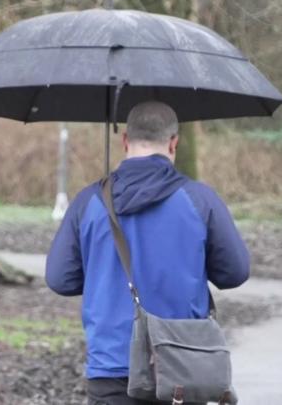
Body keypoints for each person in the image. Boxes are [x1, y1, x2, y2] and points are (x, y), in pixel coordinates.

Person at [45, 101, 250, 405]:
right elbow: (234, 273)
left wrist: (101, 270)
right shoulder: (200, 200)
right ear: (174, 142)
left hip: (111, 365)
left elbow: (60, 279)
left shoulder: (89, 201)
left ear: (125, 140)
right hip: (182, 363)